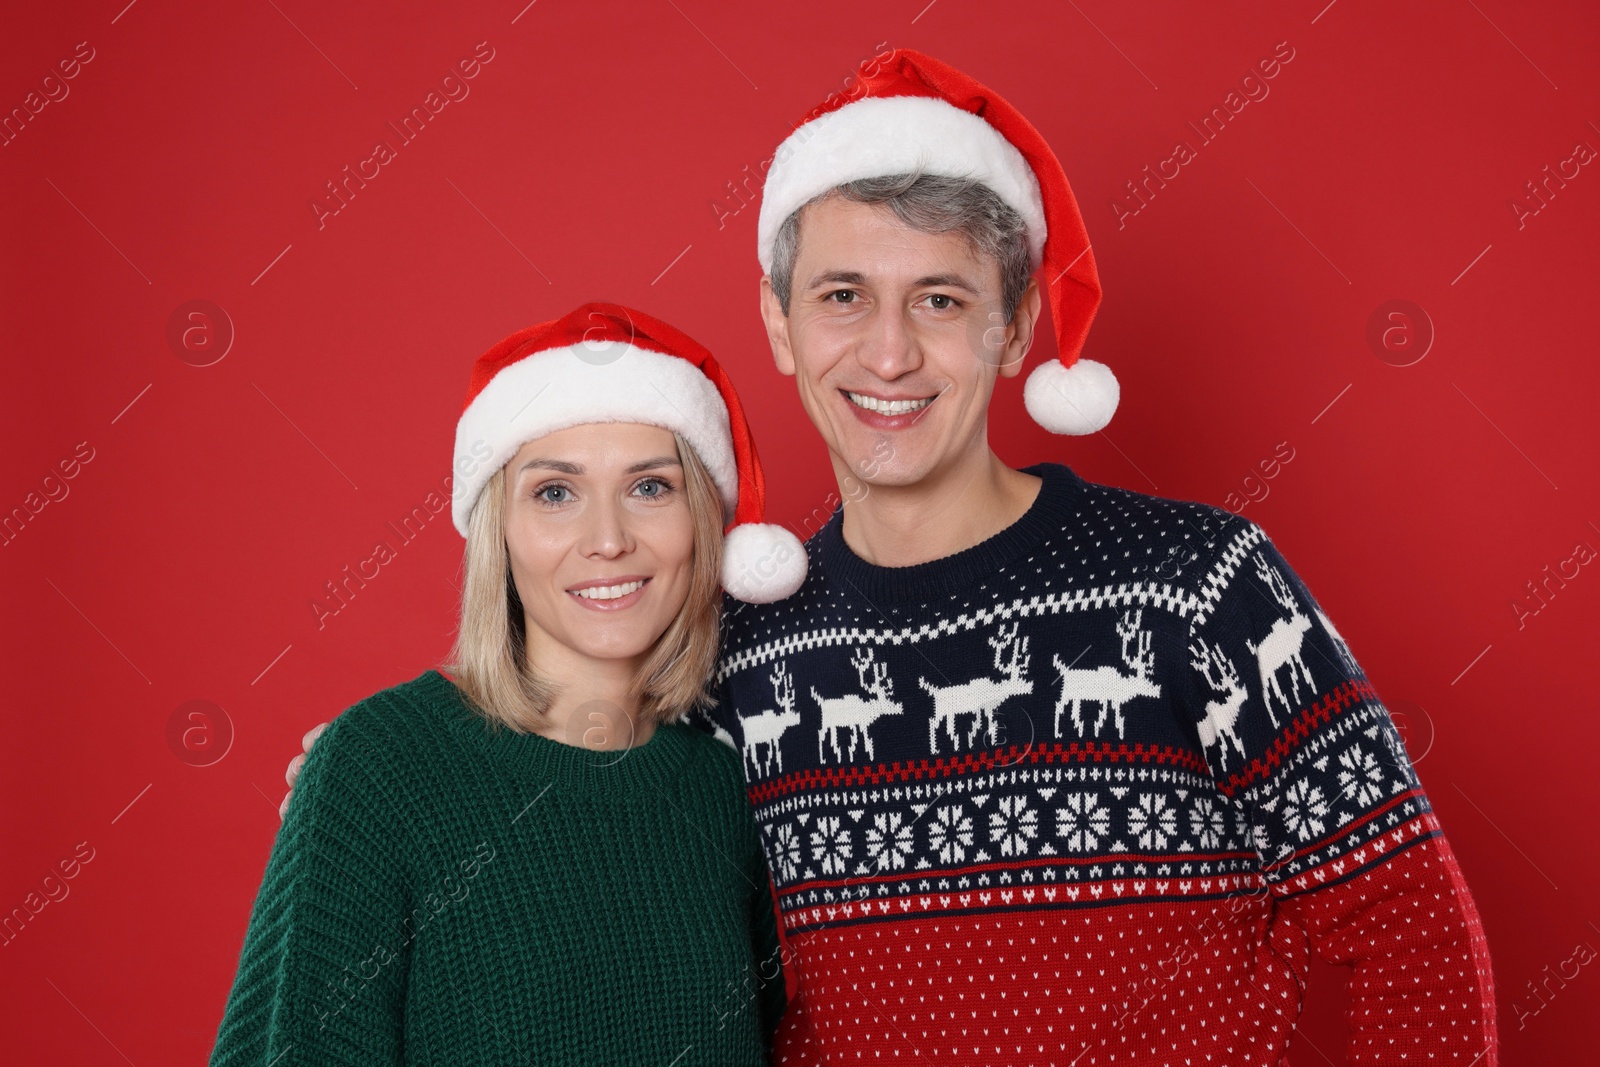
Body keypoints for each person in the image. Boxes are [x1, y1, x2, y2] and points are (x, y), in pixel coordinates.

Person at [287, 50, 1500, 1066]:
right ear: (777, 321)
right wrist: (366, 779)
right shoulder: (738, 654)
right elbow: (611, 851)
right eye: (841, 296)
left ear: (1014, 323)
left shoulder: (1203, 588)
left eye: (937, 301)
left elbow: (1415, 939)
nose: (886, 354)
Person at [213, 304, 805, 1066]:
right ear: (500, 530)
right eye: (555, 492)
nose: (607, 538)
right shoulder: (380, 765)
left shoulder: (725, 786)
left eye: (650, 487)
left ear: (701, 517)